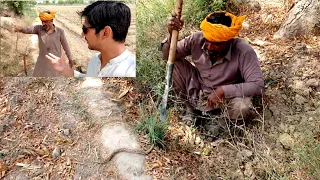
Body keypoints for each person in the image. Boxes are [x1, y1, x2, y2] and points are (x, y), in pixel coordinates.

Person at [161, 11, 264, 128]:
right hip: (199, 89)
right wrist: (171, 35)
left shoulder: (243, 51)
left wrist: (223, 91)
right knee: (174, 63)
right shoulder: (196, 39)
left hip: (225, 101)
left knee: (242, 106)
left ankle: (222, 124)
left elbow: (258, 85)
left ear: (229, 41)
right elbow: (167, 56)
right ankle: (191, 111)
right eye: (207, 41)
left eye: (216, 44)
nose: (209, 47)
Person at [45, 1, 135, 77]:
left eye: (85, 29)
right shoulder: (95, 60)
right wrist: (65, 70)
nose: (82, 35)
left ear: (105, 33)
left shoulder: (129, 71)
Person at [14, 11, 73, 77]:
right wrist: (21, 28)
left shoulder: (60, 32)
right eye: (42, 21)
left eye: (45, 21)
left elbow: (66, 46)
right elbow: (28, 29)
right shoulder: (38, 28)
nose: (43, 24)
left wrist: (70, 59)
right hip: (42, 61)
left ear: (51, 20)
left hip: (55, 61)